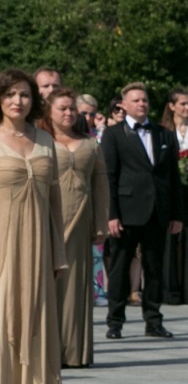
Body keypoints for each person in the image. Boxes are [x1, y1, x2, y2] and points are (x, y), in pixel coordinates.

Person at [0, 70, 66, 384]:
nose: (17, 101)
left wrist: (58, 251)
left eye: (24, 95)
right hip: (3, 245)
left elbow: (55, 202)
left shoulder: (45, 140)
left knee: (39, 317)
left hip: (39, 244)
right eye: (10, 94)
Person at [97, 82, 182, 342]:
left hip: (158, 211)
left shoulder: (164, 134)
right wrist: (111, 214)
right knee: (120, 267)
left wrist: (176, 214)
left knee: (154, 267)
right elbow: (109, 176)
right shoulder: (113, 135)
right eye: (135, 100)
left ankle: (154, 320)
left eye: (144, 100)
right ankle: (115, 321)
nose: (141, 104)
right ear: (124, 104)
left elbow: (173, 177)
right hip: (127, 210)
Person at [44, 88, 107, 369]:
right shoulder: (40, 142)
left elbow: (101, 186)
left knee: (76, 288)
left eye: (72, 108)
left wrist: (101, 223)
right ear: (48, 111)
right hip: (48, 222)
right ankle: (48, 350)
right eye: (62, 108)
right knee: (50, 285)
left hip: (82, 221)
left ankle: (74, 352)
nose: (69, 113)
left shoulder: (91, 144)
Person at [161, 88, 188, 306]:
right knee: (170, 238)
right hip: (171, 188)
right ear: (172, 106)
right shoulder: (163, 130)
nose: (187, 108)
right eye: (182, 104)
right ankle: (170, 291)